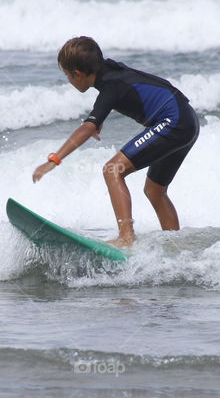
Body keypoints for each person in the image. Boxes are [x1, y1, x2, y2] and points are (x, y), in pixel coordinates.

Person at [32, 36, 200, 248]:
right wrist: (98, 120)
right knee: (154, 190)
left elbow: (88, 126)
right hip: (187, 120)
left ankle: (126, 237)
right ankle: (176, 246)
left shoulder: (110, 86)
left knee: (112, 170)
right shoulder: (109, 71)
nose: (68, 81)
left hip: (173, 122)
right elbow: (122, 92)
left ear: (78, 74)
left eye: (67, 75)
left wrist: (54, 160)